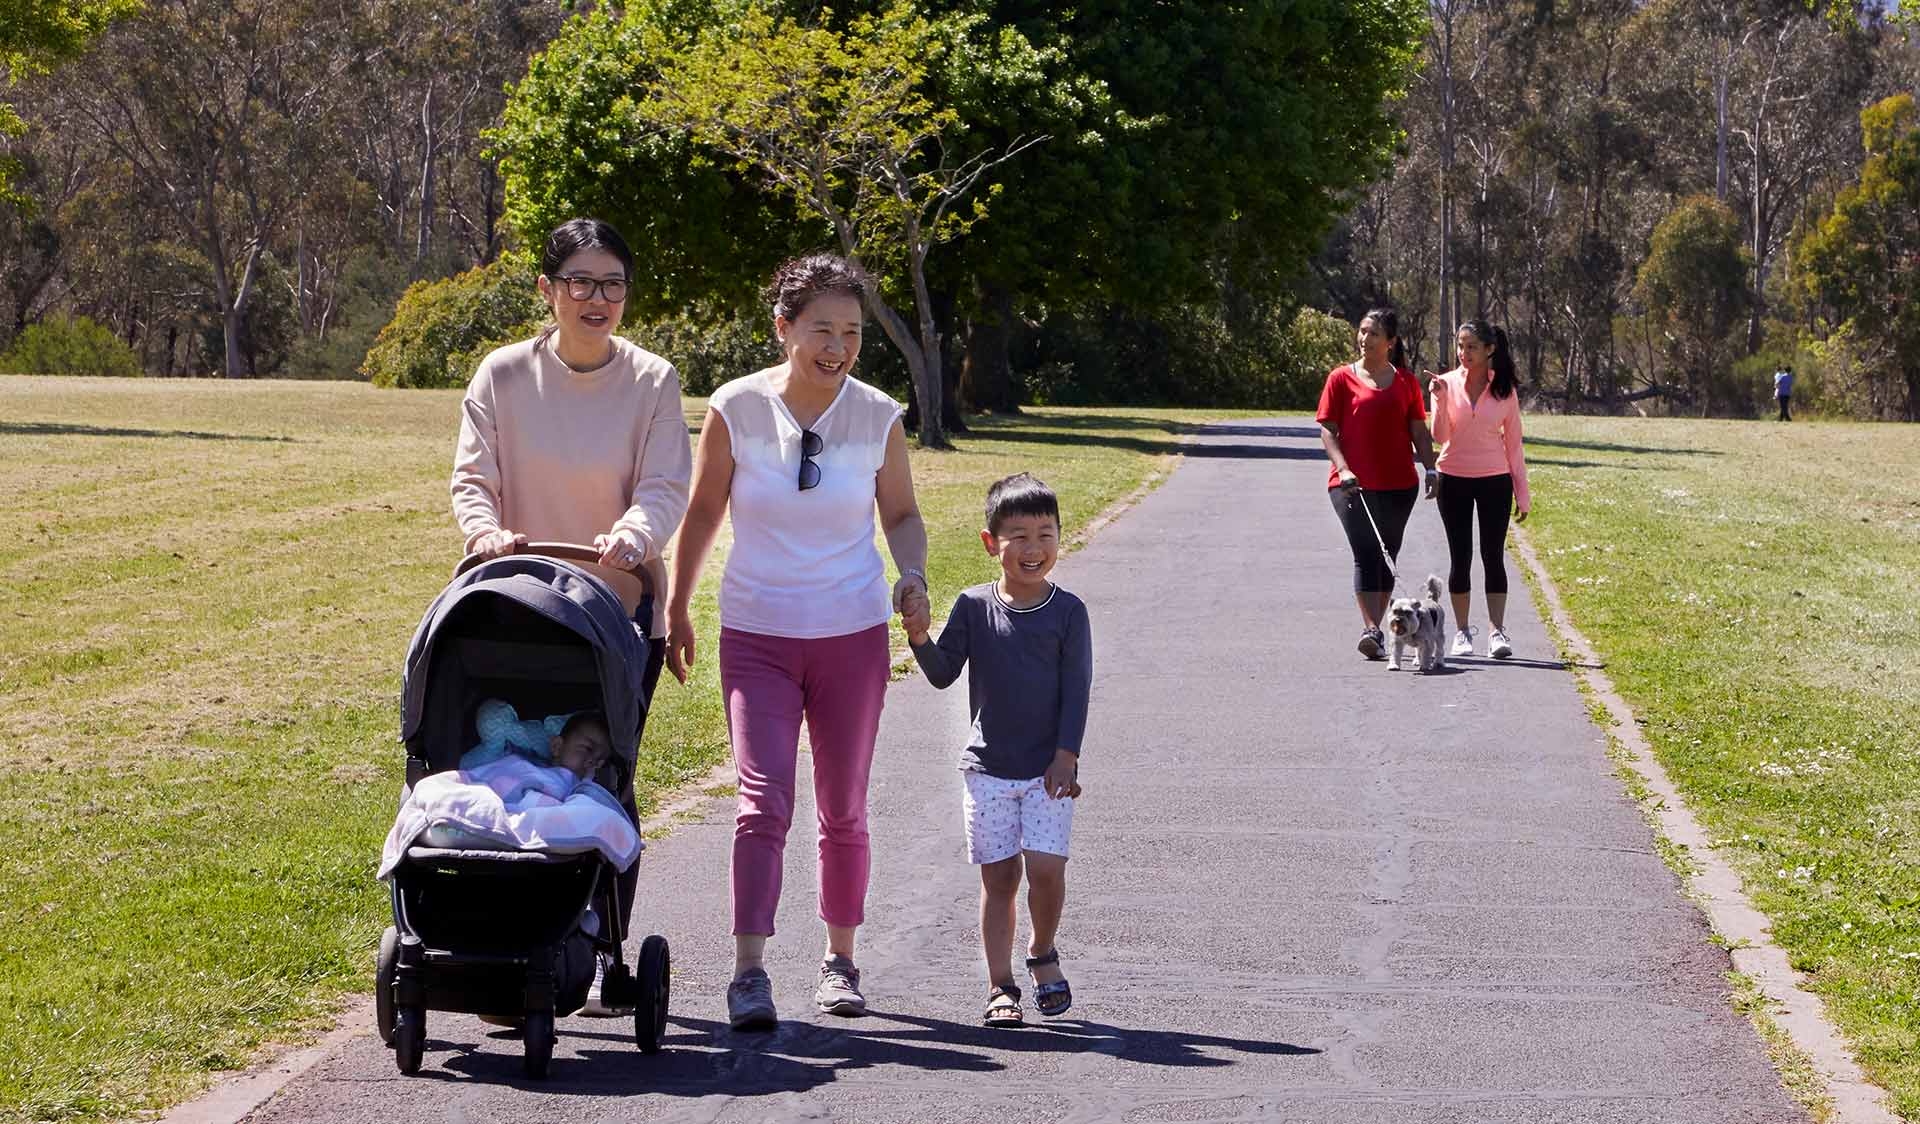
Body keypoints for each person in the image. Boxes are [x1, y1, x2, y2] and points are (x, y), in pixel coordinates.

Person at [665, 252, 931, 1032]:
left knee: (843, 805)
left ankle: (839, 961)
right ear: (783, 328)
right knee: (761, 801)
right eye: (821, 329)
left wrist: (910, 572)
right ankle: (749, 973)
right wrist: (678, 604)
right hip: (758, 633)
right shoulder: (736, 407)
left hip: (851, 633)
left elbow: (902, 515)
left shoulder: (877, 414)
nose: (837, 347)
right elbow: (705, 509)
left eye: (851, 332)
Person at [449, 216, 693, 1016]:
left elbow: (663, 486)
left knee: (600, 776)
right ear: (547, 292)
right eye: (581, 282)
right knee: (502, 776)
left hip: (616, 616)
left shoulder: (652, 380)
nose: (598, 298)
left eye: (612, 283)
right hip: (513, 610)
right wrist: (484, 532)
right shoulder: (503, 375)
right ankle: (501, 932)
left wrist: (633, 535)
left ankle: (598, 941)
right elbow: (472, 478)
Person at [905, 473, 1092, 1028]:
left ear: (1060, 537)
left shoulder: (1069, 613)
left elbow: (1076, 689)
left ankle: (1042, 952)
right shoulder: (973, 606)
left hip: (1047, 771)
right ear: (992, 543)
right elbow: (942, 674)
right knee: (1000, 879)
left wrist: (1067, 755)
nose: (1033, 549)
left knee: (1047, 870)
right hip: (986, 770)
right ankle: (999, 986)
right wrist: (919, 637)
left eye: (1045, 534)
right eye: (1018, 536)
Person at [1316, 307, 1438, 659]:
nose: (1364, 339)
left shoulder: (1405, 382)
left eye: (1373, 333)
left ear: (1390, 342)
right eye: (1362, 331)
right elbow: (1328, 430)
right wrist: (1343, 468)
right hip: (1350, 484)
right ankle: (1371, 628)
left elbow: (1418, 430)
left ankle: (1384, 630)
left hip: (1400, 485)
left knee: (1388, 555)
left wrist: (1430, 470)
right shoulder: (1340, 379)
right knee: (1364, 552)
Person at [1425, 319, 1531, 660]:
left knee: (1492, 556)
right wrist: (1438, 400)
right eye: (1460, 345)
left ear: (1489, 350)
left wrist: (1522, 493)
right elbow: (1439, 437)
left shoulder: (1504, 390)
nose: (1464, 353)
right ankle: (1461, 631)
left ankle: (1497, 632)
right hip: (1452, 477)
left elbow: (1514, 446)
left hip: (1494, 481)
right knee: (1461, 557)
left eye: (1472, 346)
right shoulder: (1446, 383)